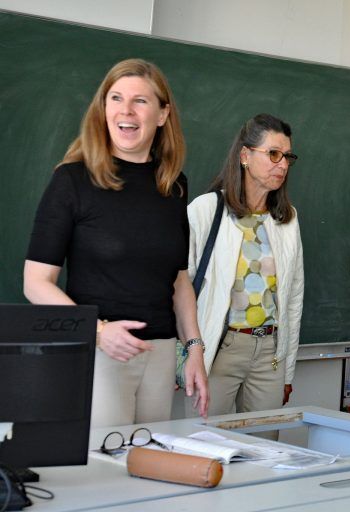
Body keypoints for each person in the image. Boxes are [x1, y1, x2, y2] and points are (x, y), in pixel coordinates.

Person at [24, 58, 208, 427]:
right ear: (103, 108)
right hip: (99, 354)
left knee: (150, 472)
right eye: (116, 98)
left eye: (140, 101)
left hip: (159, 355)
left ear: (161, 114)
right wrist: (98, 331)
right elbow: (35, 283)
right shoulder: (72, 181)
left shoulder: (173, 185)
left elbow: (178, 280)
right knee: (104, 475)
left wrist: (194, 350)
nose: (126, 110)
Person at [187, 113, 303, 424]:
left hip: (270, 353)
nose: (282, 164)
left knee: (266, 449)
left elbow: (293, 300)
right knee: (208, 444)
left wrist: (287, 368)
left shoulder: (287, 219)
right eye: (273, 154)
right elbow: (180, 287)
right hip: (219, 349)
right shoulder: (206, 210)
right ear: (245, 156)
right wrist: (186, 352)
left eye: (287, 156)